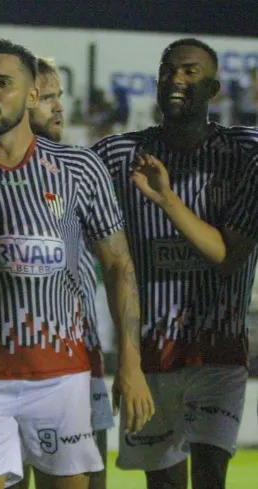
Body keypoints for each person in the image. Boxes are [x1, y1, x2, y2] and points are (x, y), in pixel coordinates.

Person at [0, 39, 154, 489]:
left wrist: (131, 365)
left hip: (63, 378)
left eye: (4, 83)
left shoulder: (79, 166)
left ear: (32, 95)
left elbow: (119, 265)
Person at [91, 38, 258, 489]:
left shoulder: (245, 153)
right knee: (162, 484)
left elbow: (229, 258)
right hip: (150, 355)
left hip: (217, 349)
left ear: (214, 89)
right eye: (168, 71)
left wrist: (167, 199)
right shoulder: (117, 155)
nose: (175, 80)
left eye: (189, 71)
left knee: (209, 476)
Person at [12, 56, 113, 489]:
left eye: (59, 96)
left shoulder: (81, 167)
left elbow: (118, 260)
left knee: (92, 480)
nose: (58, 107)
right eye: (46, 97)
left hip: (81, 357)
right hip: (5, 363)